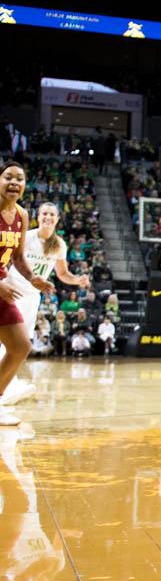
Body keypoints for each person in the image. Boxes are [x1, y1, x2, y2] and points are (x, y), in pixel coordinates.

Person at [0, 202, 91, 406]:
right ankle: (7, 384)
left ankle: (7, 383)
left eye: (52, 214)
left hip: (32, 296)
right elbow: (10, 258)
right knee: (11, 341)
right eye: (44, 213)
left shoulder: (59, 244)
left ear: (57, 218)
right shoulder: (27, 236)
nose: (48, 217)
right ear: (38, 217)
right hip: (11, 289)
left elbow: (62, 274)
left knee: (21, 342)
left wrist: (77, 280)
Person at [0, 162, 54, 425]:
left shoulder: (21, 215)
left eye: (19, 179)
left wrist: (34, 278)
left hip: (2, 283)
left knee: (21, 346)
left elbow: (18, 256)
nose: (14, 182)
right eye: (8, 177)